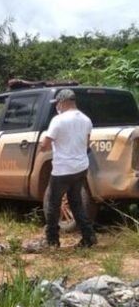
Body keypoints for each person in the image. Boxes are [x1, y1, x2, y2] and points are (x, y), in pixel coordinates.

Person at [39, 89, 96, 248]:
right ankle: (88, 237)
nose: (57, 106)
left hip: (63, 169)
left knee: (53, 204)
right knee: (76, 202)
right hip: (80, 167)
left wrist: (42, 147)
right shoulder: (86, 120)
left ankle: (52, 240)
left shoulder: (58, 120)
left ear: (63, 102)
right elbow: (86, 144)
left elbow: (45, 145)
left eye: (57, 103)